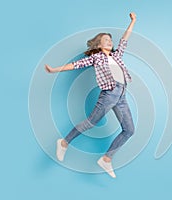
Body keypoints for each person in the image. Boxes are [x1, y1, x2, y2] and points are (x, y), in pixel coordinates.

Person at [45, 12, 136, 178]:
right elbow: (76, 64)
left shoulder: (116, 56)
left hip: (122, 95)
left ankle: (106, 159)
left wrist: (133, 21)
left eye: (110, 40)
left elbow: (124, 40)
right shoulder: (97, 58)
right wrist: (54, 69)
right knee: (90, 123)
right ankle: (64, 142)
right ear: (99, 45)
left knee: (129, 130)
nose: (110, 41)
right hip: (109, 94)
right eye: (106, 40)